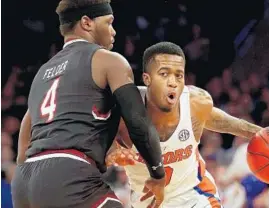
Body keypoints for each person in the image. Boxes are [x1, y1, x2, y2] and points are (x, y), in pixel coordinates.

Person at [11, 1, 166, 207]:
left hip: (24, 182)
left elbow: (26, 132)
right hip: (68, 175)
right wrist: (157, 173)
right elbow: (138, 123)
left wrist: (36, 180)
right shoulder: (109, 60)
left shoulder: (43, 73)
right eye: (109, 23)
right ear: (87, 22)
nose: (113, 31)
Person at [106, 42, 263, 208]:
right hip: (147, 203)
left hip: (195, 196)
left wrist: (262, 134)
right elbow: (95, 147)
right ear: (147, 79)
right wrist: (110, 154)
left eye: (178, 75)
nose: (172, 82)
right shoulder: (123, 111)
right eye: (164, 74)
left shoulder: (194, 102)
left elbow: (223, 121)